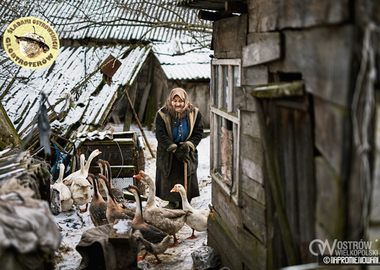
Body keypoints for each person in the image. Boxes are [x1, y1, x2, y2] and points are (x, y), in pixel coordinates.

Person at [155, 88, 204, 209]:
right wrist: (173, 148)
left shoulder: (194, 113)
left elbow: (198, 132)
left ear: (185, 101)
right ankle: (171, 202)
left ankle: (184, 202)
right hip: (168, 152)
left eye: (180, 101)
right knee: (170, 175)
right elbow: (160, 134)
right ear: (170, 100)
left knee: (186, 175)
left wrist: (190, 145)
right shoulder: (162, 113)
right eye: (175, 100)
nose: (177, 104)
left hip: (186, 151)